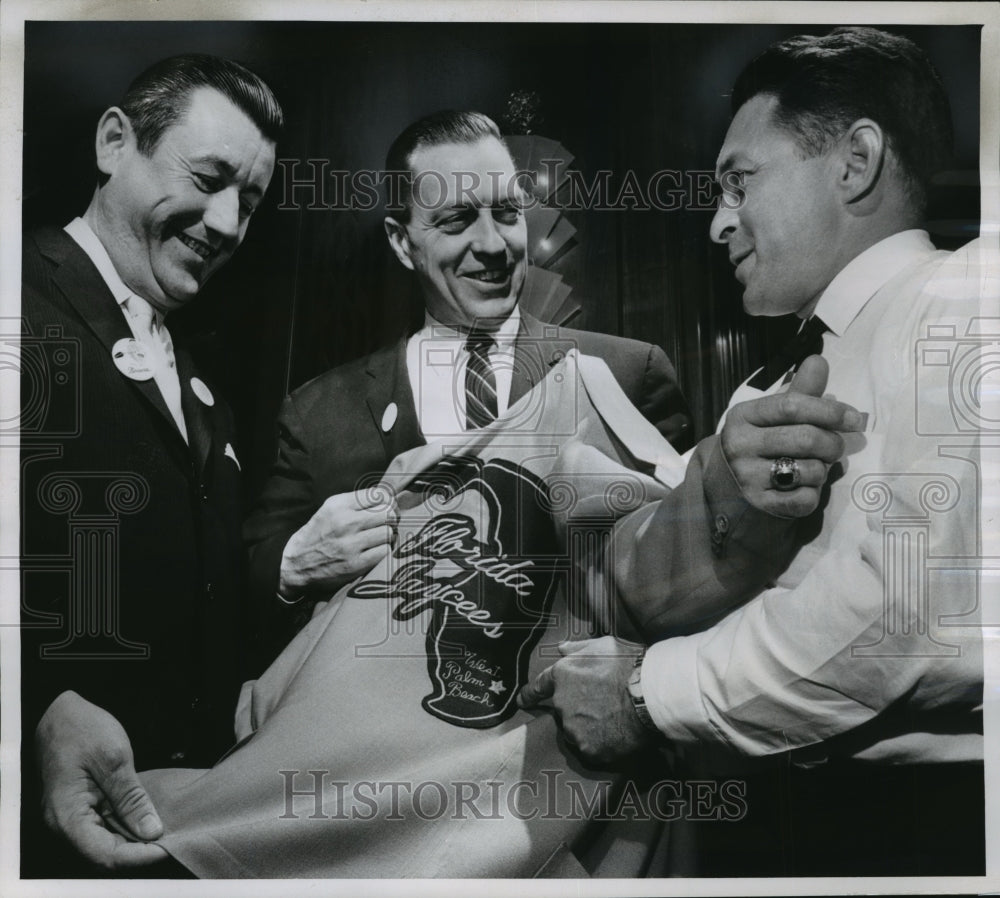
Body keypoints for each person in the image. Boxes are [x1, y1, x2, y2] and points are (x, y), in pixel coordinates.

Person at [518, 26, 988, 875]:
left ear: (856, 162)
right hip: (780, 829)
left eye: (739, 182)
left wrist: (644, 692)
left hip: (927, 840)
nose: (716, 224)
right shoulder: (761, 393)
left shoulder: (964, 298)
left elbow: (889, 626)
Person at [244, 110, 702, 647]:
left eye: (506, 213)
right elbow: (248, 585)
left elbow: (690, 575)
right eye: (457, 221)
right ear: (400, 241)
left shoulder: (627, 375)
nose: (493, 245)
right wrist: (293, 566)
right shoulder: (318, 412)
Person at [20, 54, 282, 874]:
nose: (230, 222)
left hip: (186, 834)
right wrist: (36, 713)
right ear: (113, 143)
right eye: (208, 178)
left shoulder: (206, 378)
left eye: (251, 201)